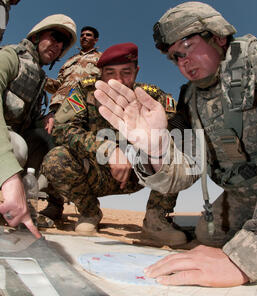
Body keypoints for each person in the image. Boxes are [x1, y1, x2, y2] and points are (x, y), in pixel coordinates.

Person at [94, 1, 257, 287]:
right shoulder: (189, 100)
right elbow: (186, 171)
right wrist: (157, 150)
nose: (182, 62)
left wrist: (252, 251)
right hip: (247, 193)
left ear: (217, 36)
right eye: (175, 57)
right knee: (208, 235)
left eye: (187, 47)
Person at [41, 42, 186, 245]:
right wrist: (107, 150)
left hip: (140, 173)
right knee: (56, 158)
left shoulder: (153, 96)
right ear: (100, 72)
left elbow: (181, 128)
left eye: (126, 72)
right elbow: (63, 129)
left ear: (136, 72)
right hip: (94, 173)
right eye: (110, 72)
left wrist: (154, 141)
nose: (118, 80)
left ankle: (156, 219)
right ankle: (89, 213)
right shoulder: (83, 92)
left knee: (177, 149)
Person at [0, 14, 77, 238]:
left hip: (13, 136)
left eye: (62, 43)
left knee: (51, 139)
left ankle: (27, 205)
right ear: (36, 36)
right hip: (5, 141)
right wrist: (10, 177)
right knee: (18, 147)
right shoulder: (11, 56)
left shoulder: (39, 79)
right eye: (55, 37)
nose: (58, 46)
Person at [44, 25, 102, 129]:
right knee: (49, 137)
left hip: (80, 104)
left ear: (95, 40)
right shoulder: (70, 60)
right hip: (58, 105)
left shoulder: (101, 58)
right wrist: (42, 80)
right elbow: (58, 85)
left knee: (73, 135)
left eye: (88, 35)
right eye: (82, 35)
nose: (84, 37)